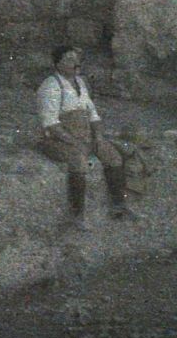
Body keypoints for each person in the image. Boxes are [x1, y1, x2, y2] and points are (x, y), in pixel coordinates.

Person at [36, 46, 135, 223]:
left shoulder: (80, 83)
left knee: (113, 156)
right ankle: (77, 216)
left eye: (76, 59)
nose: (75, 63)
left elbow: (93, 114)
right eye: (69, 60)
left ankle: (119, 207)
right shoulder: (51, 86)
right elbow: (50, 123)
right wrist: (73, 141)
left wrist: (98, 137)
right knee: (78, 161)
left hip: (84, 136)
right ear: (58, 64)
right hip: (57, 139)